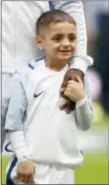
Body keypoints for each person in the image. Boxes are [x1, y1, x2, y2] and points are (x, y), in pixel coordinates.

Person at [4, 10, 93, 184]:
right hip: (31, 169)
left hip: (65, 171)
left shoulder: (78, 77)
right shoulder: (27, 75)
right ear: (40, 42)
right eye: (57, 38)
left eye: (72, 38)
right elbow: (13, 124)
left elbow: (85, 124)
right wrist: (23, 158)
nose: (66, 43)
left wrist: (81, 99)